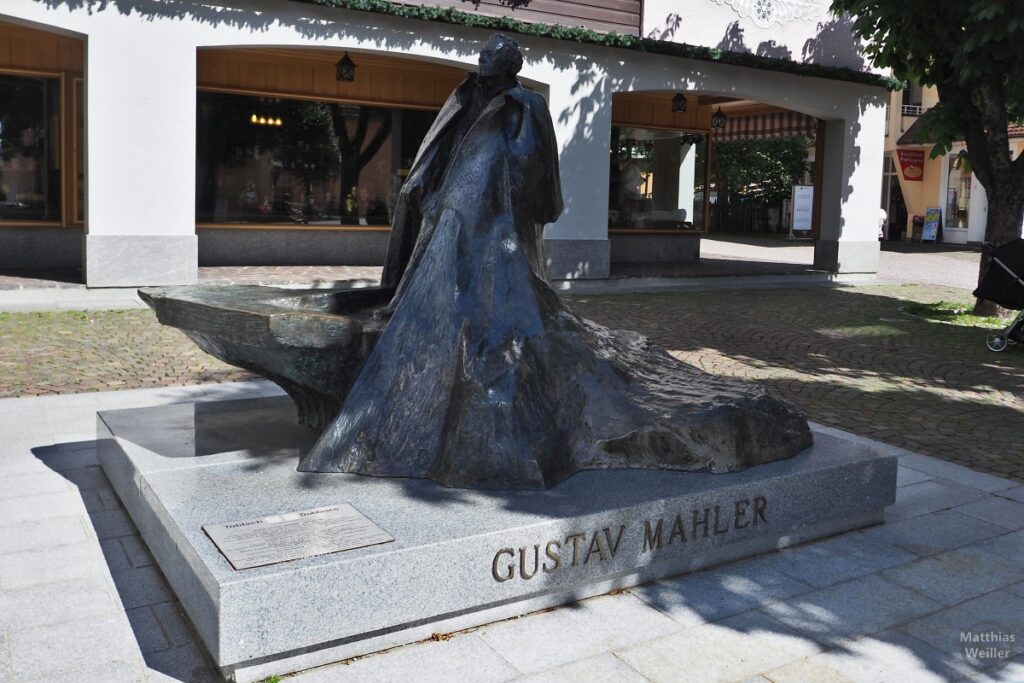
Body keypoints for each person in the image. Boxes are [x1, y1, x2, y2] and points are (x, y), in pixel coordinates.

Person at [298, 34, 811, 489]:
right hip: (455, 209)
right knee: (441, 290)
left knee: (491, 298)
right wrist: (425, 192)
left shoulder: (528, 105)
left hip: (494, 217)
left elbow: (535, 163)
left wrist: (515, 182)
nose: (486, 73)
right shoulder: (467, 95)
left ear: (511, 69)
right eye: (483, 65)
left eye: (494, 67)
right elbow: (443, 150)